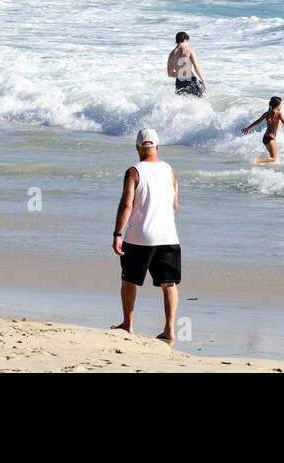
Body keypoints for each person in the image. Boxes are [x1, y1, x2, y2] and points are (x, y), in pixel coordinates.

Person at [111, 128, 181, 342]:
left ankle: (128, 324)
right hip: (168, 236)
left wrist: (117, 233)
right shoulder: (170, 171)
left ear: (137, 147)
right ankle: (169, 329)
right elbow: (175, 205)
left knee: (129, 281)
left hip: (139, 237)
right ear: (157, 147)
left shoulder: (134, 171)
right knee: (169, 284)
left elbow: (126, 205)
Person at [242, 96, 284, 163]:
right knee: (273, 158)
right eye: (281, 104)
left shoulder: (267, 113)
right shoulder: (279, 114)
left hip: (265, 138)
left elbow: (257, 121)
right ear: (277, 105)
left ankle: (262, 165)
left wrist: (248, 128)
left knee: (271, 156)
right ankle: (256, 160)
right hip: (270, 138)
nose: (281, 106)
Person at [167, 31, 207, 97]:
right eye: (187, 41)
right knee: (201, 100)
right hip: (190, 80)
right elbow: (196, 67)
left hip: (179, 82)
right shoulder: (189, 51)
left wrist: (181, 75)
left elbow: (170, 73)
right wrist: (203, 80)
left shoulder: (171, 55)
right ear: (185, 39)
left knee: (182, 103)